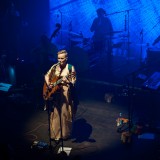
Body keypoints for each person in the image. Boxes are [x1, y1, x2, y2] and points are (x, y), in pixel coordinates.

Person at [44, 49, 77, 140]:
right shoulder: (55, 66)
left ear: (66, 58)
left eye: (62, 58)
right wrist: (49, 84)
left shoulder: (70, 67)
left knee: (64, 113)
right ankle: (55, 134)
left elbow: (73, 81)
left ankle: (64, 134)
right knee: (55, 113)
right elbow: (46, 75)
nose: (60, 60)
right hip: (55, 92)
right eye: (58, 58)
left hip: (65, 93)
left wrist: (68, 81)